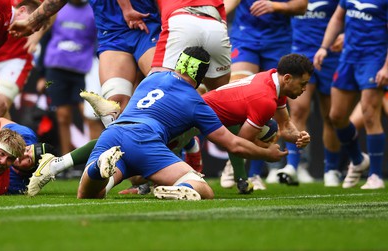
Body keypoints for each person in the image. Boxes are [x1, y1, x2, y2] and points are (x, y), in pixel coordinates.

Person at [27, 53, 311, 197]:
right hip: (149, 140)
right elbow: (235, 144)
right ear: (201, 76)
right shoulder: (198, 103)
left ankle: (84, 165)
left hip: (117, 132)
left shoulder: (151, 78)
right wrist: (267, 153)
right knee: (200, 186)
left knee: (94, 191)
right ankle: (183, 185)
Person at [8, 0, 161, 126]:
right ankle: (130, 158)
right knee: (113, 111)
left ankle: (176, 153)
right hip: (112, 34)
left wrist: (127, 8)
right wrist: (31, 21)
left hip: (147, 25)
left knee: (162, 92)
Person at [220, 0, 309, 189]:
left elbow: (301, 6)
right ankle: (236, 159)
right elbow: (226, 5)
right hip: (245, 36)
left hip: (277, 40)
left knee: (270, 104)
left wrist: (277, 6)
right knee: (239, 91)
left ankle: (254, 174)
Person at [314, 0, 388, 189]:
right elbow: (337, 18)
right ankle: (358, 159)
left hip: (374, 59)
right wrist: (324, 47)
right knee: (336, 116)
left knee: (370, 115)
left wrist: (386, 66)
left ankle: (375, 176)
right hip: (348, 58)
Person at [280, 0, 342, 187]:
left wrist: (345, 35)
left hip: (330, 56)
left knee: (331, 116)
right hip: (300, 55)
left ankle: (331, 169)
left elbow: (344, 16)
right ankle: (292, 166)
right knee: (298, 111)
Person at [40, 0, 96, 156]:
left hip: (83, 71)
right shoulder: (56, 8)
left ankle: (95, 161)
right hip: (56, 69)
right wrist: (41, 74)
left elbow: (98, 40)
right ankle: (66, 161)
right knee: (62, 116)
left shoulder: (94, 9)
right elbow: (45, 39)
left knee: (90, 115)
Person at [0, 0, 42, 119]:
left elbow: (54, 11)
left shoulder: (0, 40)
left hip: (17, 57)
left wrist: (38, 36)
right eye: (33, 24)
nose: (31, 31)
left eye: (36, 29)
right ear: (21, 10)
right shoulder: (3, 3)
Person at [0, 117, 56, 195]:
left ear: (32, 170)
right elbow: (0, 122)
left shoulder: (15, 185)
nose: (22, 155)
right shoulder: (25, 136)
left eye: (29, 159)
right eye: (27, 149)